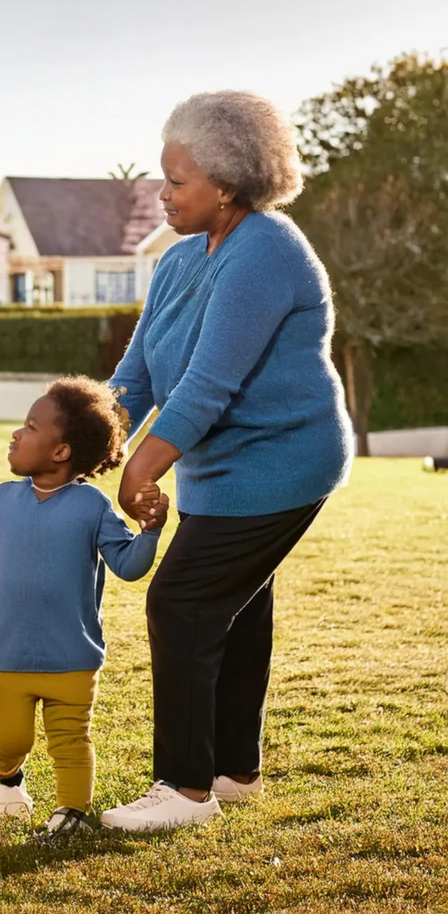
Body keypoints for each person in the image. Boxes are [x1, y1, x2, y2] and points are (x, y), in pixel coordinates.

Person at [98, 91, 353, 833]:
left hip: (282, 464)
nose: (162, 194)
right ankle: (232, 770)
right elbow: (137, 374)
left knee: (180, 602)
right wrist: (82, 437)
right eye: (163, 177)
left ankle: (183, 789)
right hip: (221, 472)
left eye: (177, 182)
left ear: (230, 185)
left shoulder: (268, 253)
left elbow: (209, 385)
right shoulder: (180, 261)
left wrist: (140, 468)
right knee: (235, 610)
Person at [0, 377, 165, 844]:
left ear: (60, 452)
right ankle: (4, 774)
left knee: (71, 743)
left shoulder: (92, 507)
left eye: (29, 426)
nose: (16, 435)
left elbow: (127, 565)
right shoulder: (3, 498)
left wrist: (149, 532)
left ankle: (72, 814)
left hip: (72, 658)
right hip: (7, 655)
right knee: (13, 741)